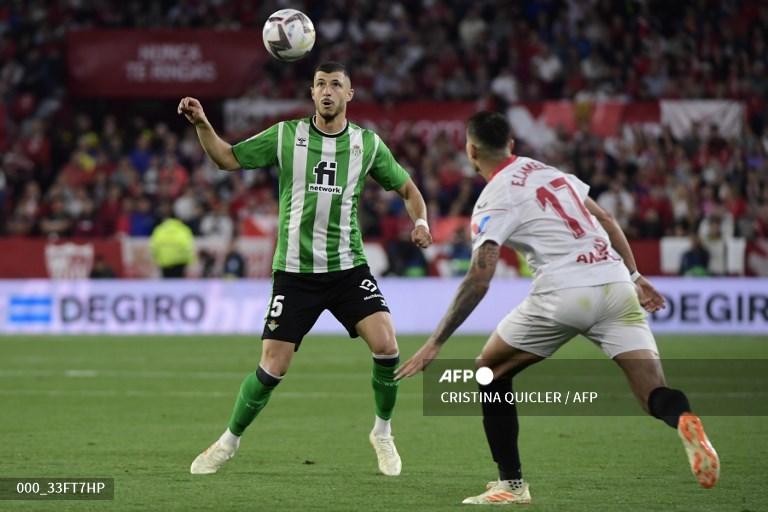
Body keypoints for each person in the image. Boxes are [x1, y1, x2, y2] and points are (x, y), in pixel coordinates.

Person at [397, 112, 719, 504]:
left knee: (488, 371)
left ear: (471, 150)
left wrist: (435, 341)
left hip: (566, 291)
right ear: (512, 146)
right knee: (653, 392)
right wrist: (634, 276)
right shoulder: (548, 171)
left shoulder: (493, 197)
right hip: (616, 284)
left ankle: (511, 485)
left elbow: (480, 278)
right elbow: (606, 218)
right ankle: (684, 420)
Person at [178, 61, 432, 477]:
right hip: (295, 273)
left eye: (336, 84)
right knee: (272, 367)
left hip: (348, 267)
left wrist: (420, 222)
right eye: (320, 84)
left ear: (349, 94)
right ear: (312, 93)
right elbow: (226, 159)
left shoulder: (366, 145)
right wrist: (202, 123)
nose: (327, 90)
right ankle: (228, 441)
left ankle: (382, 432)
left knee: (387, 345)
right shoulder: (285, 136)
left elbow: (408, 189)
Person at [149, 211, 195, 278]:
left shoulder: (159, 230)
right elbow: (188, 247)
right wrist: (189, 261)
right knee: (179, 285)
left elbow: (153, 247)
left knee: (167, 285)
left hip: (164, 262)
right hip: (180, 262)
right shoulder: (183, 229)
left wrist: (156, 259)